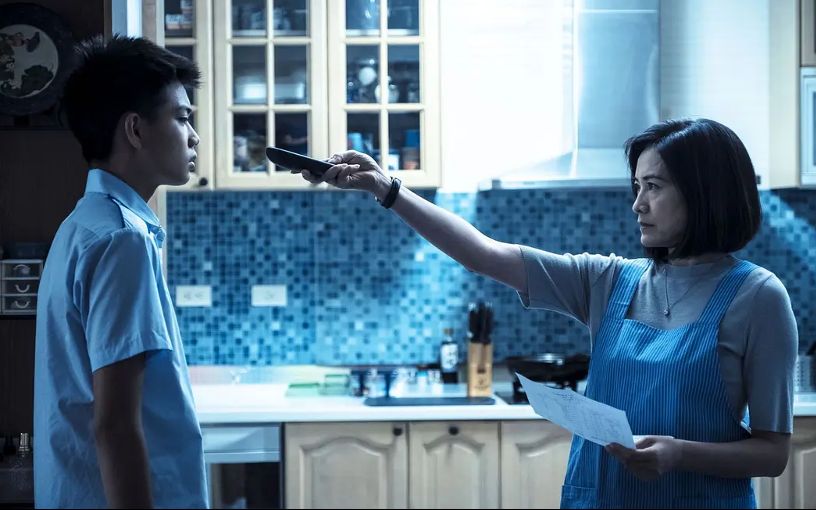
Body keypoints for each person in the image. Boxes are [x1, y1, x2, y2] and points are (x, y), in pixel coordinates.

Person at [296, 118, 797, 509]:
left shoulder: (757, 298)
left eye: (655, 187)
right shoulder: (610, 281)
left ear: (705, 193)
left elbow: (773, 452)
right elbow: (483, 254)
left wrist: (681, 454)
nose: (638, 205)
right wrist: (387, 189)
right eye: (637, 186)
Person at [34, 35, 206, 508]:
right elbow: (114, 424)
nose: (194, 136)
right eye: (182, 118)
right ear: (135, 129)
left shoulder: (82, 225)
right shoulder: (122, 240)